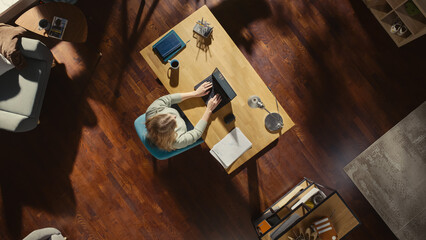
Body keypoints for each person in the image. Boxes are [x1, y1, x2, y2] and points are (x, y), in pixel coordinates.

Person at [145, 82, 221, 151]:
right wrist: (209, 110)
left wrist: (195, 93)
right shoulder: (176, 142)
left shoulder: (152, 110)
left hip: (177, 115)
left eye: (168, 115)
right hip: (185, 129)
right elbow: (196, 133)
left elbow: (169, 99)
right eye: (173, 122)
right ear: (172, 132)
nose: (174, 116)